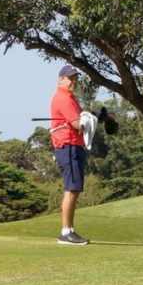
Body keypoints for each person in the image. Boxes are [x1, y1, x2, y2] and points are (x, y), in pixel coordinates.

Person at [50, 64, 90, 245]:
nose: (74, 81)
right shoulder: (63, 98)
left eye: (75, 78)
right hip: (68, 147)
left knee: (74, 188)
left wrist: (97, 116)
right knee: (71, 188)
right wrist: (89, 122)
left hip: (73, 146)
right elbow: (77, 125)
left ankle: (70, 230)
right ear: (61, 79)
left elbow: (81, 116)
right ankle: (65, 232)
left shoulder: (71, 98)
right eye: (70, 78)